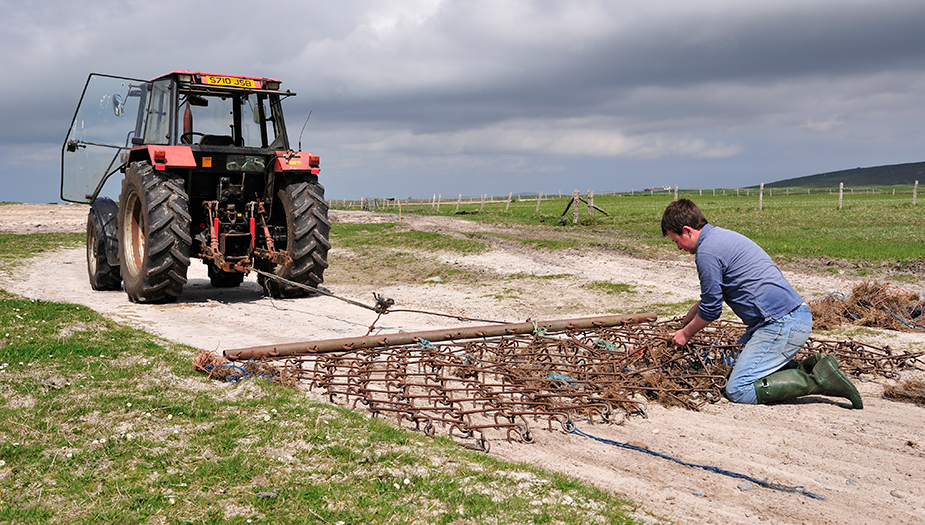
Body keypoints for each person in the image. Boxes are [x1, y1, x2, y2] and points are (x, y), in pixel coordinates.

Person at [660, 199, 862, 409]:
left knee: (739, 388)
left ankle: (817, 380)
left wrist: (686, 334)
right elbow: (710, 299)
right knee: (727, 367)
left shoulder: (706, 253)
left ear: (687, 231)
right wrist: (690, 318)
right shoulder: (720, 237)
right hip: (787, 319)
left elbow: (712, 310)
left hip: (781, 324)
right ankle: (812, 366)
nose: (678, 248)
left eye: (676, 241)